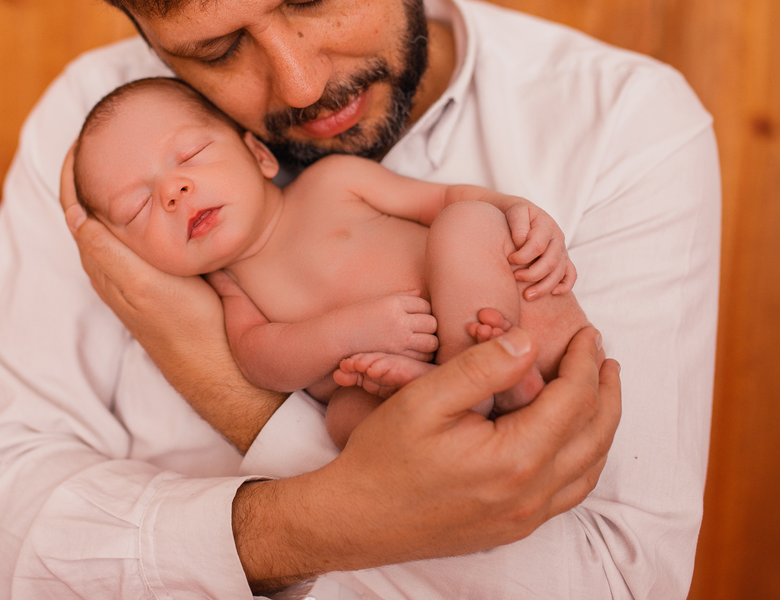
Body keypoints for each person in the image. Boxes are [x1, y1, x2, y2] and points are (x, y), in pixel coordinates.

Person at [0, 0, 720, 597]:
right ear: (140, 31)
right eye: (215, 48)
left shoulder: (624, 127)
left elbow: (612, 584)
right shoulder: (95, 138)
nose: (301, 82)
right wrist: (322, 513)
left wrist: (236, 400)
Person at [70, 76, 589, 446]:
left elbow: (446, 197)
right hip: (424, 409)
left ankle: (471, 377)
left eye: (188, 157)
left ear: (260, 155)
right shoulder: (229, 285)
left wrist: (520, 214)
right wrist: (351, 331)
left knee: (466, 222)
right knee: (343, 417)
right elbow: (260, 360)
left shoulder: (333, 181)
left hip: (509, 315)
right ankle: (492, 395)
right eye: (139, 207)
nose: (174, 193)